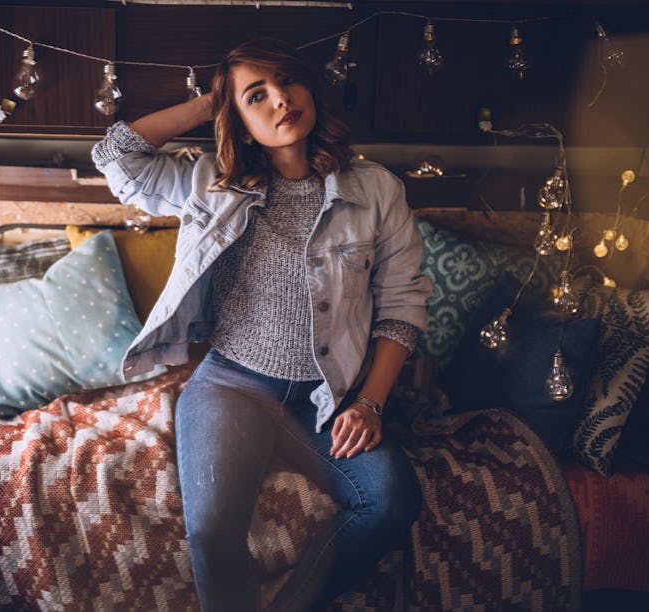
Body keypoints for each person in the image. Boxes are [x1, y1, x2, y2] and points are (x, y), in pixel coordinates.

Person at [92, 37, 431, 612]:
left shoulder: (376, 189)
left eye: (285, 81)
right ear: (240, 120)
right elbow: (116, 157)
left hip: (328, 397)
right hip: (234, 385)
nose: (280, 99)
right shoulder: (209, 181)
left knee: (393, 502)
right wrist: (212, 101)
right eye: (257, 95)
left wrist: (369, 403)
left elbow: (403, 304)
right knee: (211, 531)